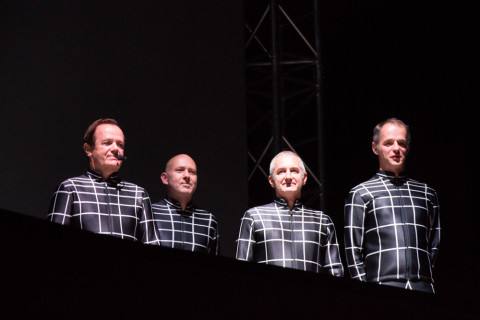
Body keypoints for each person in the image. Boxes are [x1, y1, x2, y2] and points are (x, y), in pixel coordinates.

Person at [344, 118, 440, 293]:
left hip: (423, 287)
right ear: (375, 148)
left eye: (401, 143)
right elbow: (352, 251)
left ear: (408, 148)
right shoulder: (361, 193)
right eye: (388, 143)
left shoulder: (427, 193)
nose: (396, 148)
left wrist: (425, 279)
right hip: (380, 286)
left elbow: (433, 246)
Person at [47, 118, 159, 245]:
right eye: (107, 143)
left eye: (120, 144)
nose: (116, 149)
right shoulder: (70, 189)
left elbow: (153, 245)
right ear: (88, 149)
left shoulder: (139, 194)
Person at [236, 151, 343, 276]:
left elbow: (335, 273)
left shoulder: (322, 221)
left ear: (304, 178)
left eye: (294, 171)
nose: (288, 177)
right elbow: (241, 271)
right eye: (281, 171)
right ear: (271, 180)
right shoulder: (254, 217)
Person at [152, 154, 219, 254]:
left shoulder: (208, 220)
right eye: (180, 170)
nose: (187, 176)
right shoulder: (150, 213)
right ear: (165, 178)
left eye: (192, 172)